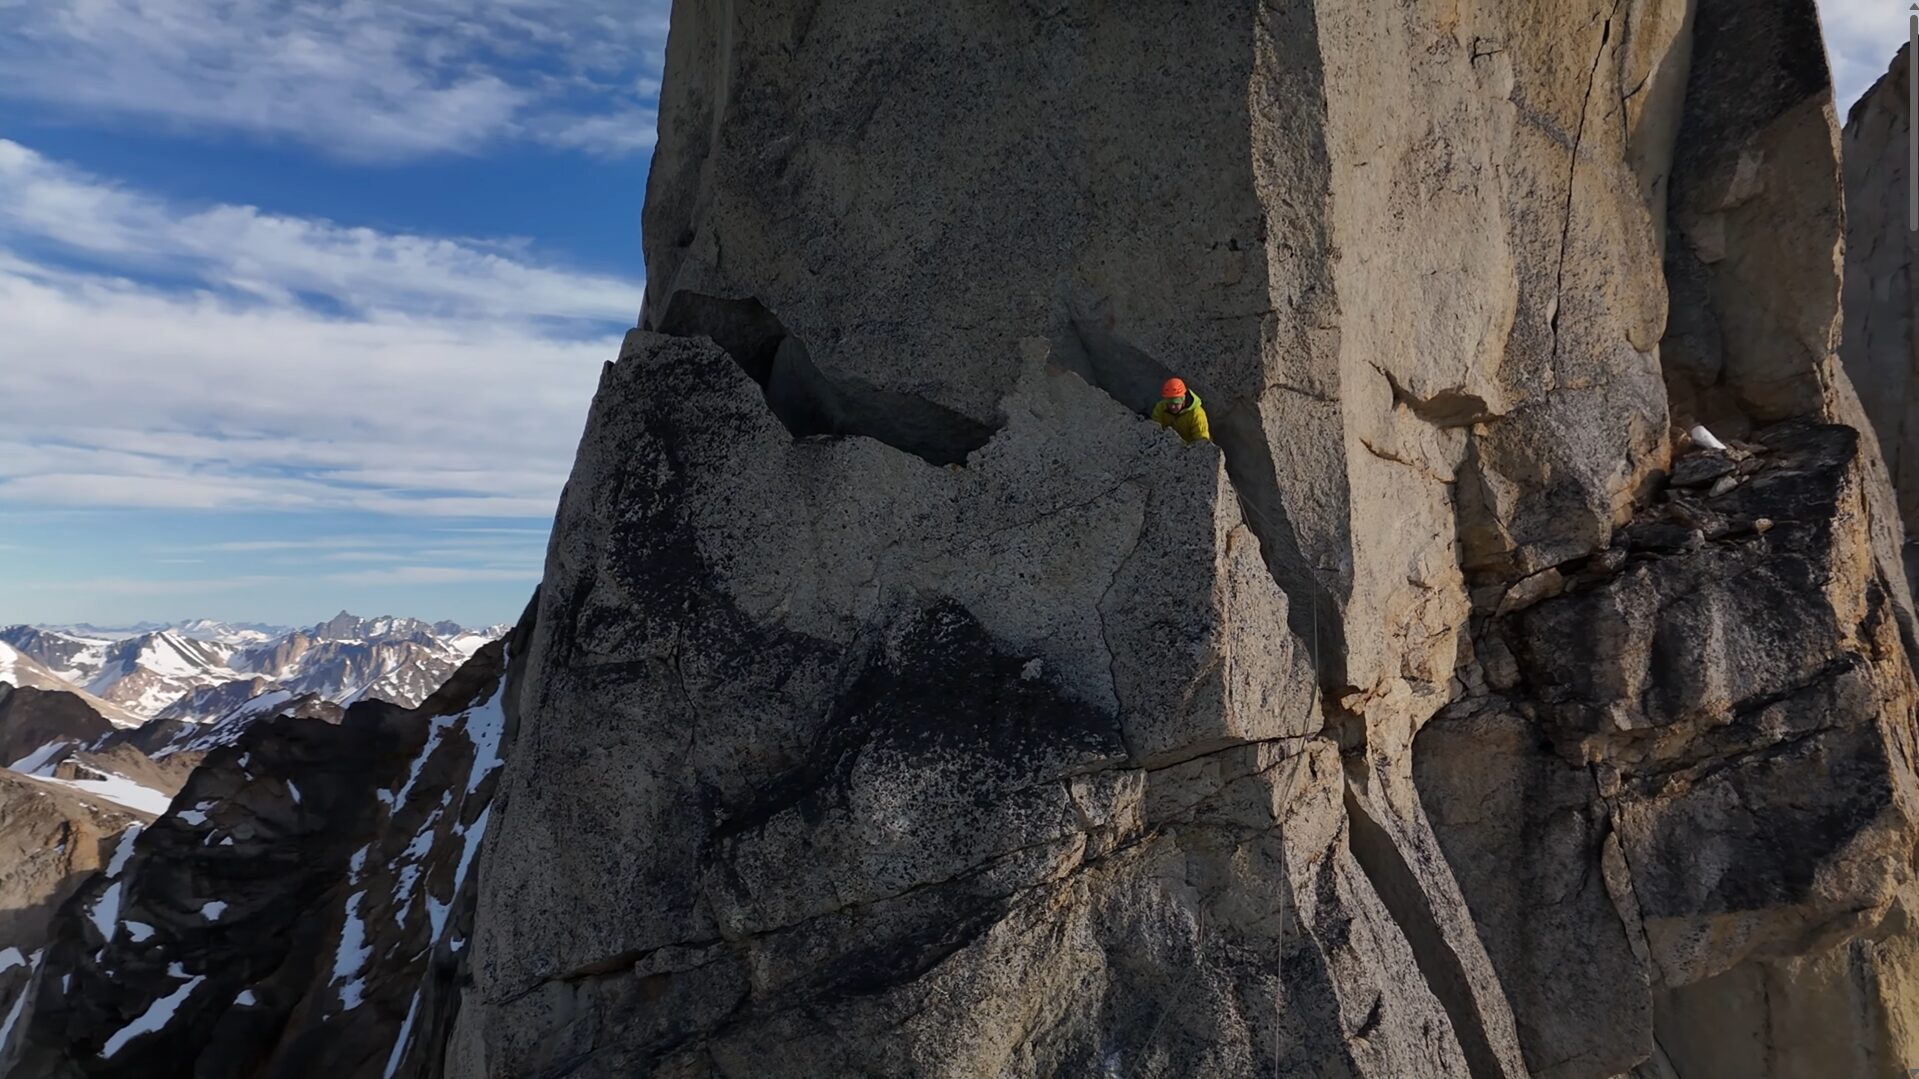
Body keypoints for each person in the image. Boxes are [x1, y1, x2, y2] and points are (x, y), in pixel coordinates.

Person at [1151, 377, 1211, 443]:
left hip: (1190, 448)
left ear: (1183, 400)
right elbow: (1154, 428)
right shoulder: (1161, 407)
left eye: (1176, 403)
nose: (1172, 407)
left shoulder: (1196, 414)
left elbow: (1202, 441)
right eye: (1169, 403)